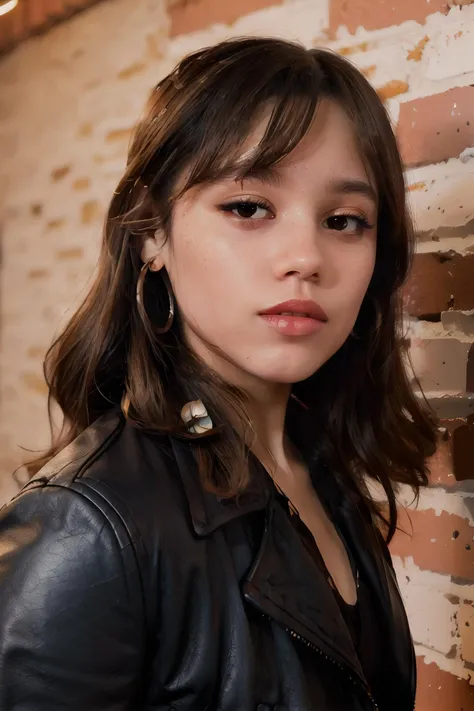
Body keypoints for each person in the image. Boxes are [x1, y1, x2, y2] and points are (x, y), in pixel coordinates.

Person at [0, 37, 436, 711]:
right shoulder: (86, 530)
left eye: (344, 220)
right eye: (248, 207)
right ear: (150, 233)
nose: (305, 257)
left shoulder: (326, 472)